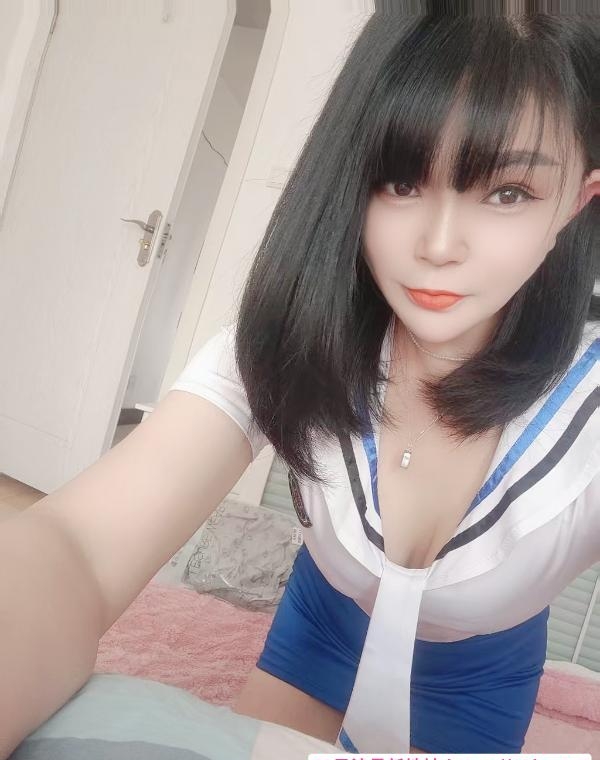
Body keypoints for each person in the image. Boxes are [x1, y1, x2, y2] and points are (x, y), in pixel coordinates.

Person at [1, 4, 599, 758]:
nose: (439, 245)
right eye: (400, 181)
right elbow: (77, 547)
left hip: (473, 683)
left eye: (508, 192)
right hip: (319, 629)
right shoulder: (287, 341)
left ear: (577, 202)